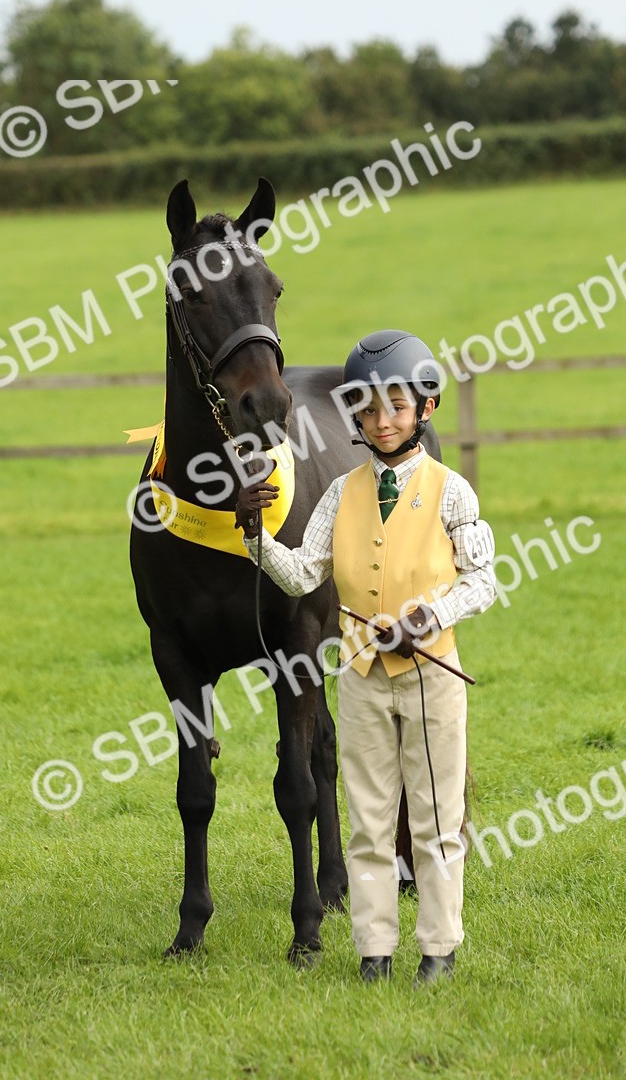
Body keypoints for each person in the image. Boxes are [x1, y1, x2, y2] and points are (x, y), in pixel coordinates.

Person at [234, 329, 497, 985]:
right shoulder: (340, 494)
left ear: (425, 409)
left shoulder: (452, 490)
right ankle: (374, 952)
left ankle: (438, 949)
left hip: (432, 679)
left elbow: (485, 580)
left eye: (397, 407)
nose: (382, 422)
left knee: (436, 823)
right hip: (360, 682)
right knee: (369, 825)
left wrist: (430, 615)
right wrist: (254, 534)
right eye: (370, 410)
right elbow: (299, 576)